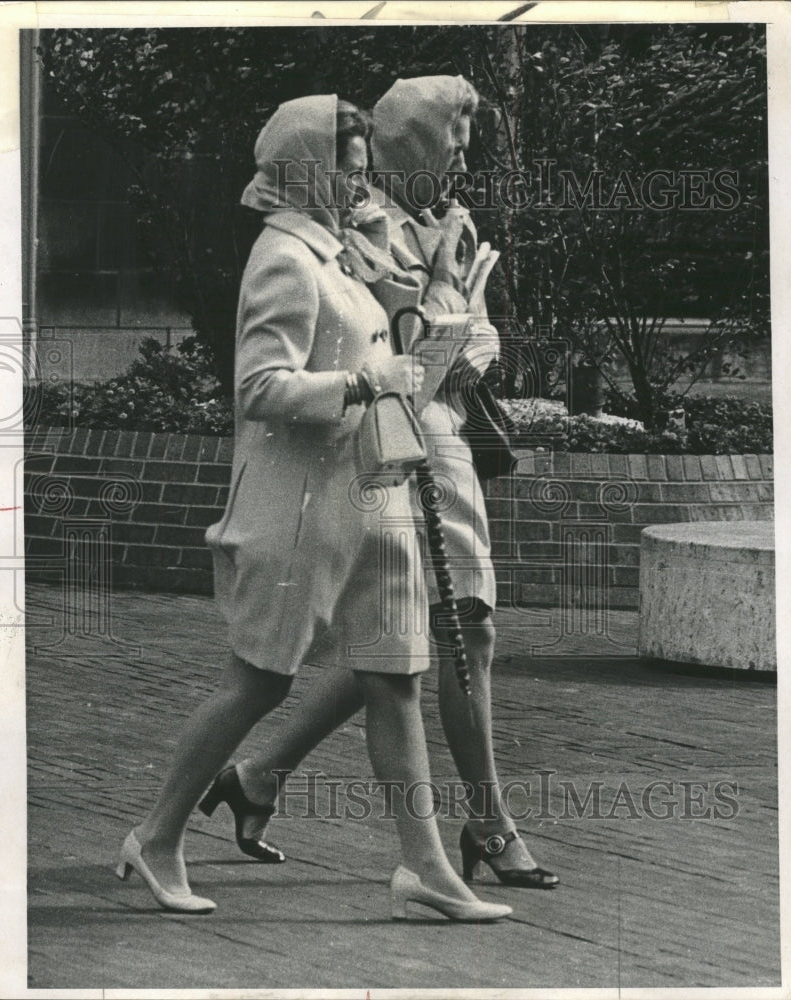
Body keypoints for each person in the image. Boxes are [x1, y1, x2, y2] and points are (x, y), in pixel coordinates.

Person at [115, 94, 511, 923]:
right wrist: (366, 382)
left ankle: (428, 869)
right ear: (304, 169)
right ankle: (154, 836)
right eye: (349, 171)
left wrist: (437, 325)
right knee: (256, 683)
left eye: (365, 172)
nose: (361, 186)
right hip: (294, 509)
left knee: (395, 677)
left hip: (369, 494)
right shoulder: (284, 258)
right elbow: (261, 387)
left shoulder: (339, 254)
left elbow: (390, 346)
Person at [201, 78, 559, 891]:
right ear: (409, 146)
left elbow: (470, 331)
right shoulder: (356, 230)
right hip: (395, 442)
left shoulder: (449, 226)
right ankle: (488, 823)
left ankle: (261, 775)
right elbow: (397, 346)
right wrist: (446, 307)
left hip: (445, 441)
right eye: (453, 146)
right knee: (446, 634)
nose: (462, 162)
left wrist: (470, 323)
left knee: (418, 640)